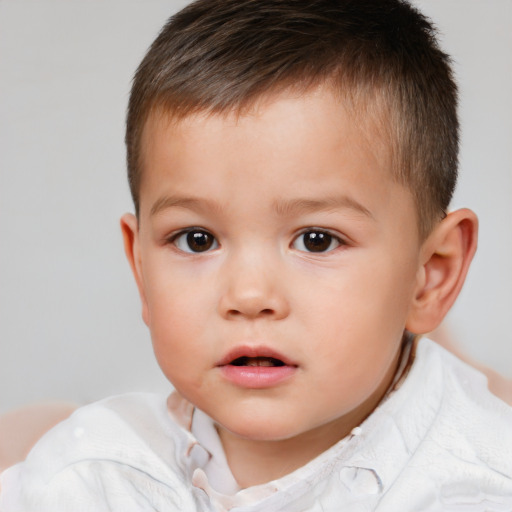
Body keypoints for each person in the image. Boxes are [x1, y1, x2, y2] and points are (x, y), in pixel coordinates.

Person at [1, 0, 511, 509]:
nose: (248, 295)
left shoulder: (472, 489)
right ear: (140, 271)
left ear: (431, 274)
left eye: (317, 239)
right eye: (196, 239)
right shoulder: (93, 470)